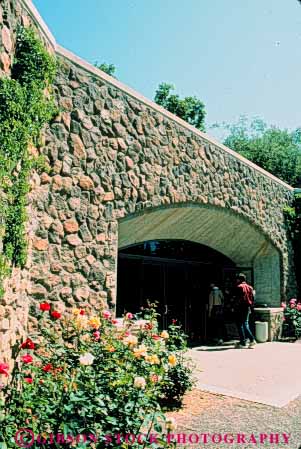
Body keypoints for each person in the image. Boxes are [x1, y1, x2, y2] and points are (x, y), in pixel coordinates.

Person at [234, 273, 256, 349]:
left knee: (240, 325)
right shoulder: (250, 287)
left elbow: (238, 299)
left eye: (237, 279)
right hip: (247, 307)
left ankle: (247, 341)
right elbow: (253, 299)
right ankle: (246, 341)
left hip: (240, 308)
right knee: (245, 323)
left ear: (239, 279)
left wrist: (234, 306)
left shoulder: (239, 287)